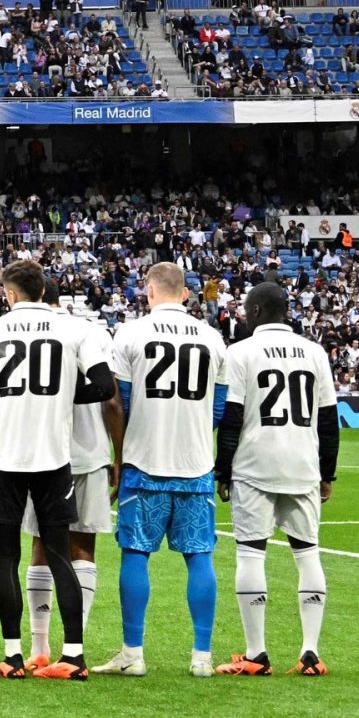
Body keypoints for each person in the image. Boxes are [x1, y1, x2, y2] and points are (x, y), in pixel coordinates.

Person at [0, 261, 115, 680]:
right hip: (55, 459)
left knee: (5, 558)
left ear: (12, 293)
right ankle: (72, 655)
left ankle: (14, 655)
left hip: (4, 458)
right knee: (60, 557)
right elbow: (106, 387)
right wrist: (66, 396)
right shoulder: (73, 329)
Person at [98, 262, 230, 679]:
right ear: (186, 294)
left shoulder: (131, 333)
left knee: (136, 553)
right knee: (199, 556)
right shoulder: (212, 338)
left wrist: (121, 453)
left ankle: (133, 652)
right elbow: (221, 407)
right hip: (195, 465)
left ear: (148, 291)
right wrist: (188, 431)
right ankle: (202, 656)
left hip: (144, 461)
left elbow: (115, 402)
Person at [214, 282, 339, 678]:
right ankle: (310, 653)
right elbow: (328, 421)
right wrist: (327, 472)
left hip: (255, 465)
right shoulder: (315, 352)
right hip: (303, 466)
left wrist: (223, 469)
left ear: (254, 312)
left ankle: (256, 654)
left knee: (251, 553)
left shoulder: (241, 353)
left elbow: (231, 417)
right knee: (308, 553)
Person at [27, 273, 117, 666]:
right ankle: (73, 646)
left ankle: (38, 649)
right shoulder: (89, 331)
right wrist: (119, 454)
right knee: (82, 546)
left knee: (41, 545)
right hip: (88, 450)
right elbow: (110, 398)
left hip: (39, 453)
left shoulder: (20, 331)